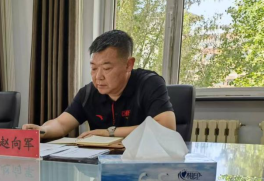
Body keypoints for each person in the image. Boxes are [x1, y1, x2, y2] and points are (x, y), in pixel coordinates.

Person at [23, 30, 176, 139]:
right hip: (100, 166)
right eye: (94, 68)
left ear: (129, 64)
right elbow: (61, 124)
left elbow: (166, 127)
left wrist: (109, 132)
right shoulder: (88, 93)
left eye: (107, 68)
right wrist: (42, 130)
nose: (98, 77)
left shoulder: (149, 84)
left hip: (142, 166)